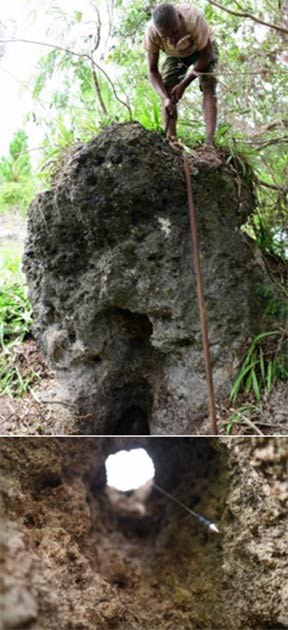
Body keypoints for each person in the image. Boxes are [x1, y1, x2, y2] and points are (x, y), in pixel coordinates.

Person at [144, 2, 218, 145]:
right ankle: (172, 141)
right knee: (167, 89)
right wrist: (165, 98)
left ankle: (209, 143)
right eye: (165, 37)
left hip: (202, 49)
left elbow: (207, 55)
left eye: (175, 33)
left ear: (180, 18)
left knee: (208, 85)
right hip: (175, 55)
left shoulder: (194, 19)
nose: (172, 40)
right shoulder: (151, 33)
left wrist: (184, 83)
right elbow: (153, 71)